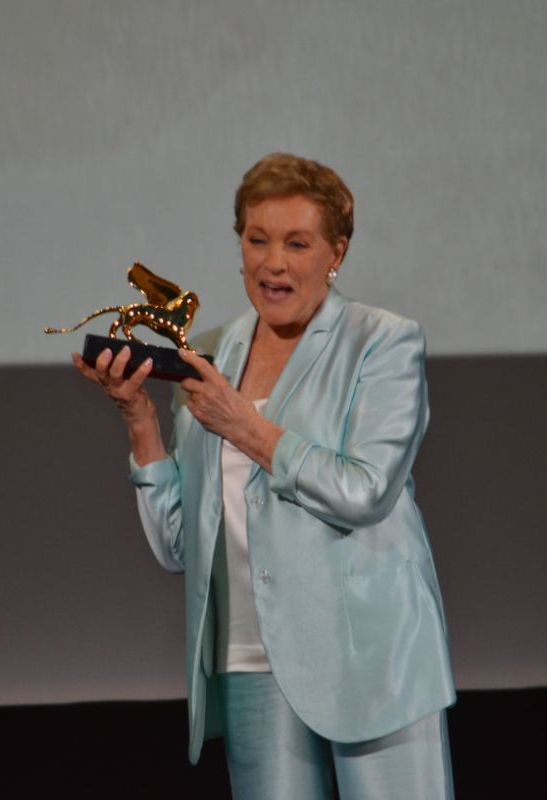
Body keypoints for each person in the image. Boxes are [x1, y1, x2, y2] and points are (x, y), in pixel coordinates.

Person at [74, 153, 455, 799]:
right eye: (257, 240)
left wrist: (243, 425)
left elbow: (363, 491)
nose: (273, 262)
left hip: (372, 658)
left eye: (296, 243)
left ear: (336, 252)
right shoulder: (214, 353)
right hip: (250, 658)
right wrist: (139, 418)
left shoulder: (384, 342)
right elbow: (178, 548)